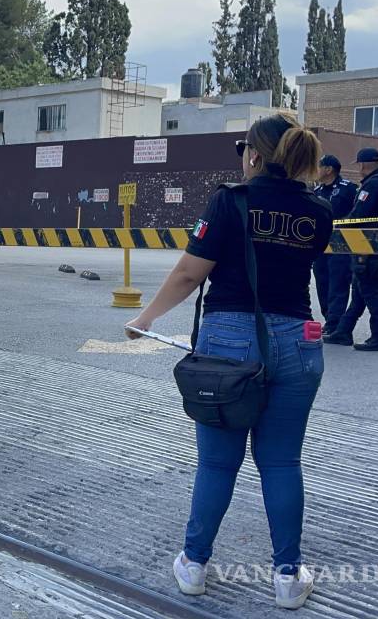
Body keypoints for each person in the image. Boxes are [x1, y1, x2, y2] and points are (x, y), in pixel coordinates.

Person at [124, 114, 333, 610]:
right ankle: (287, 577)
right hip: (299, 343)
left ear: (255, 156)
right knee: (281, 461)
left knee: (218, 462)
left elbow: (188, 274)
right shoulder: (319, 211)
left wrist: (147, 318)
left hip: (230, 343)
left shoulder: (229, 200)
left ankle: (194, 565)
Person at [324, 148, 378, 352]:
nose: (358, 170)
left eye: (358, 165)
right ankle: (344, 331)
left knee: (369, 289)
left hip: (366, 244)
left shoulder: (373, 184)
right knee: (360, 288)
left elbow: (358, 215)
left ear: (364, 165)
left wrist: (336, 226)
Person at [311, 155, 357, 334]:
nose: (316, 170)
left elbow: (358, 212)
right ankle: (328, 317)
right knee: (322, 282)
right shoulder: (317, 191)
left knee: (338, 283)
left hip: (340, 245)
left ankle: (334, 323)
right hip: (321, 246)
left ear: (328, 169)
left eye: (319, 166)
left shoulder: (349, 189)